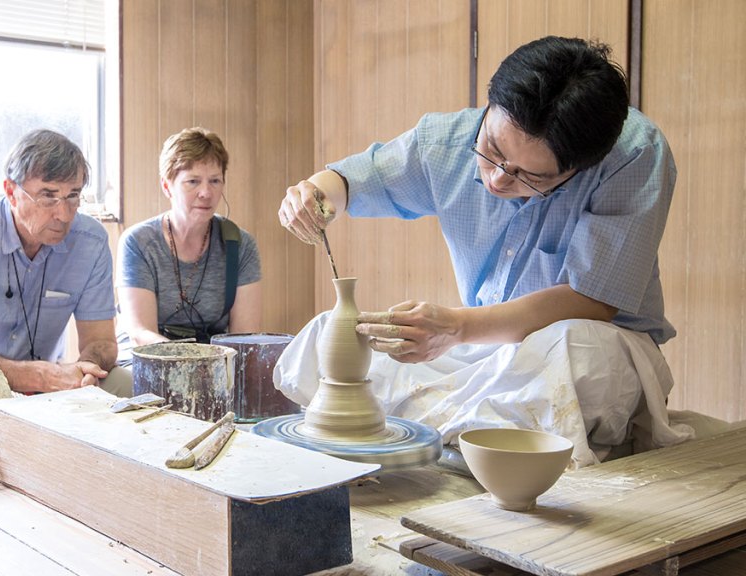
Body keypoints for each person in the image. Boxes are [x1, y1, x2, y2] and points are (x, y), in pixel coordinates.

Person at [276, 36, 693, 467]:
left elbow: (594, 301)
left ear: (578, 168)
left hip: (602, 347)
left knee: (577, 349)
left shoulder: (634, 153)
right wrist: (315, 196)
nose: (496, 179)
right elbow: (352, 181)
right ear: (490, 106)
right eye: (492, 150)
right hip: (487, 345)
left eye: (529, 177)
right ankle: (457, 435)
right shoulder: (448, 139)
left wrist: (456, 327)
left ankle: (449, 434)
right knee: (332, 332)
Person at [0, 129, 127, 395]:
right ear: (11, 192)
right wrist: (38, 377)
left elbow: (102, 341)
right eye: (48, 196)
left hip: (49, 384)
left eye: (73, 196)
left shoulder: (90, 241)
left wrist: (86, 368)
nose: (64, 214)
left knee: (125, 383)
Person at [117, 127, 262, 352]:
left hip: (213, 362)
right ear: (167, 186)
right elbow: (140, 332)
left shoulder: (240, 245)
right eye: (193, 181)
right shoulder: (139, 242)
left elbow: (242, 339)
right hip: (147, 358)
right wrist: (190, 360)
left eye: (215, 181)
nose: (206, 192)